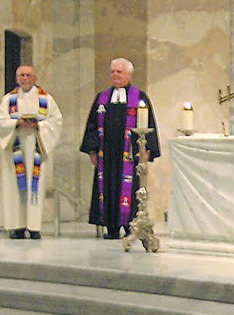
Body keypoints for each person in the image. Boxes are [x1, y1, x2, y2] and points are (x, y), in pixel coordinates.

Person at [80, 58, 161, 239]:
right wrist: (92, 150)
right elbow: (92, 125)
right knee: (107, 188)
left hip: (130, 154)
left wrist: (146, 150)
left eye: (119, 72)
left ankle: (130, 226)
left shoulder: (139, 98)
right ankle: (112, 228)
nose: (115, 75)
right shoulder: (102, 98)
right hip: (106, 154)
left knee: (130, 189)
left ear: (129, 75)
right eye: (113, 72)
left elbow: (149, 123)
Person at [0, 65, 63, 239]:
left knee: (35, 186)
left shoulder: (46, 99)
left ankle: (34, 227)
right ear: (16, 78)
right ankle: (17, 226)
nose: (25, 78)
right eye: (21, 75)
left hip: (37, 148)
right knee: (15, 187)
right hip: (15, 149)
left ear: (35, 78)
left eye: (28, 75)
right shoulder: (8, 99)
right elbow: (1, 121)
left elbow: (56, 121)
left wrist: (39, 125)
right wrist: (16, 122)